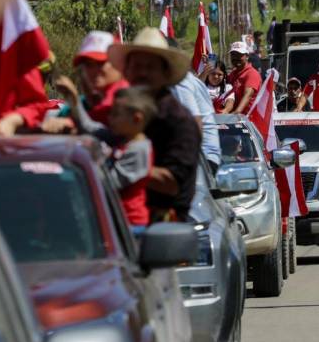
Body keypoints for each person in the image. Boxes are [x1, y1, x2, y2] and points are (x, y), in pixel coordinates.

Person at [108, 29, 200, 221]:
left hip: (162, 233)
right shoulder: (119, 111)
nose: (142, 72)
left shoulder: (179, 121)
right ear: (126, 70)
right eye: (136, 66)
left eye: (150, 67)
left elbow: (171, 183)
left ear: (165, 73)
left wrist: (121, 166)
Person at [53, 79, 156, 228]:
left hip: (129, 226)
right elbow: (90, 127)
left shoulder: (139, 151)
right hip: (114, 221)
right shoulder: (122, 139)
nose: (109, 118)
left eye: (115, 114)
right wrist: (73, 99)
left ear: (136, 119)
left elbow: (108, 183)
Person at [42, 31, 128, 133]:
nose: (94, 70)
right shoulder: (91, 98)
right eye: (88, 65)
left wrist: (71, 120)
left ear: (118, 63)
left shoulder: (124, 96)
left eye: (101, 63)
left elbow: (101, 127)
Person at [227, 41, 262, 114]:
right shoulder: (233, 74)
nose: (236, 58)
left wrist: (236, 112)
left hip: (247, 120)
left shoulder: (252, 74)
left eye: (239, 55)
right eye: (233, 55)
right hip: (234, 119)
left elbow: (248, 95)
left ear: (247, 56)